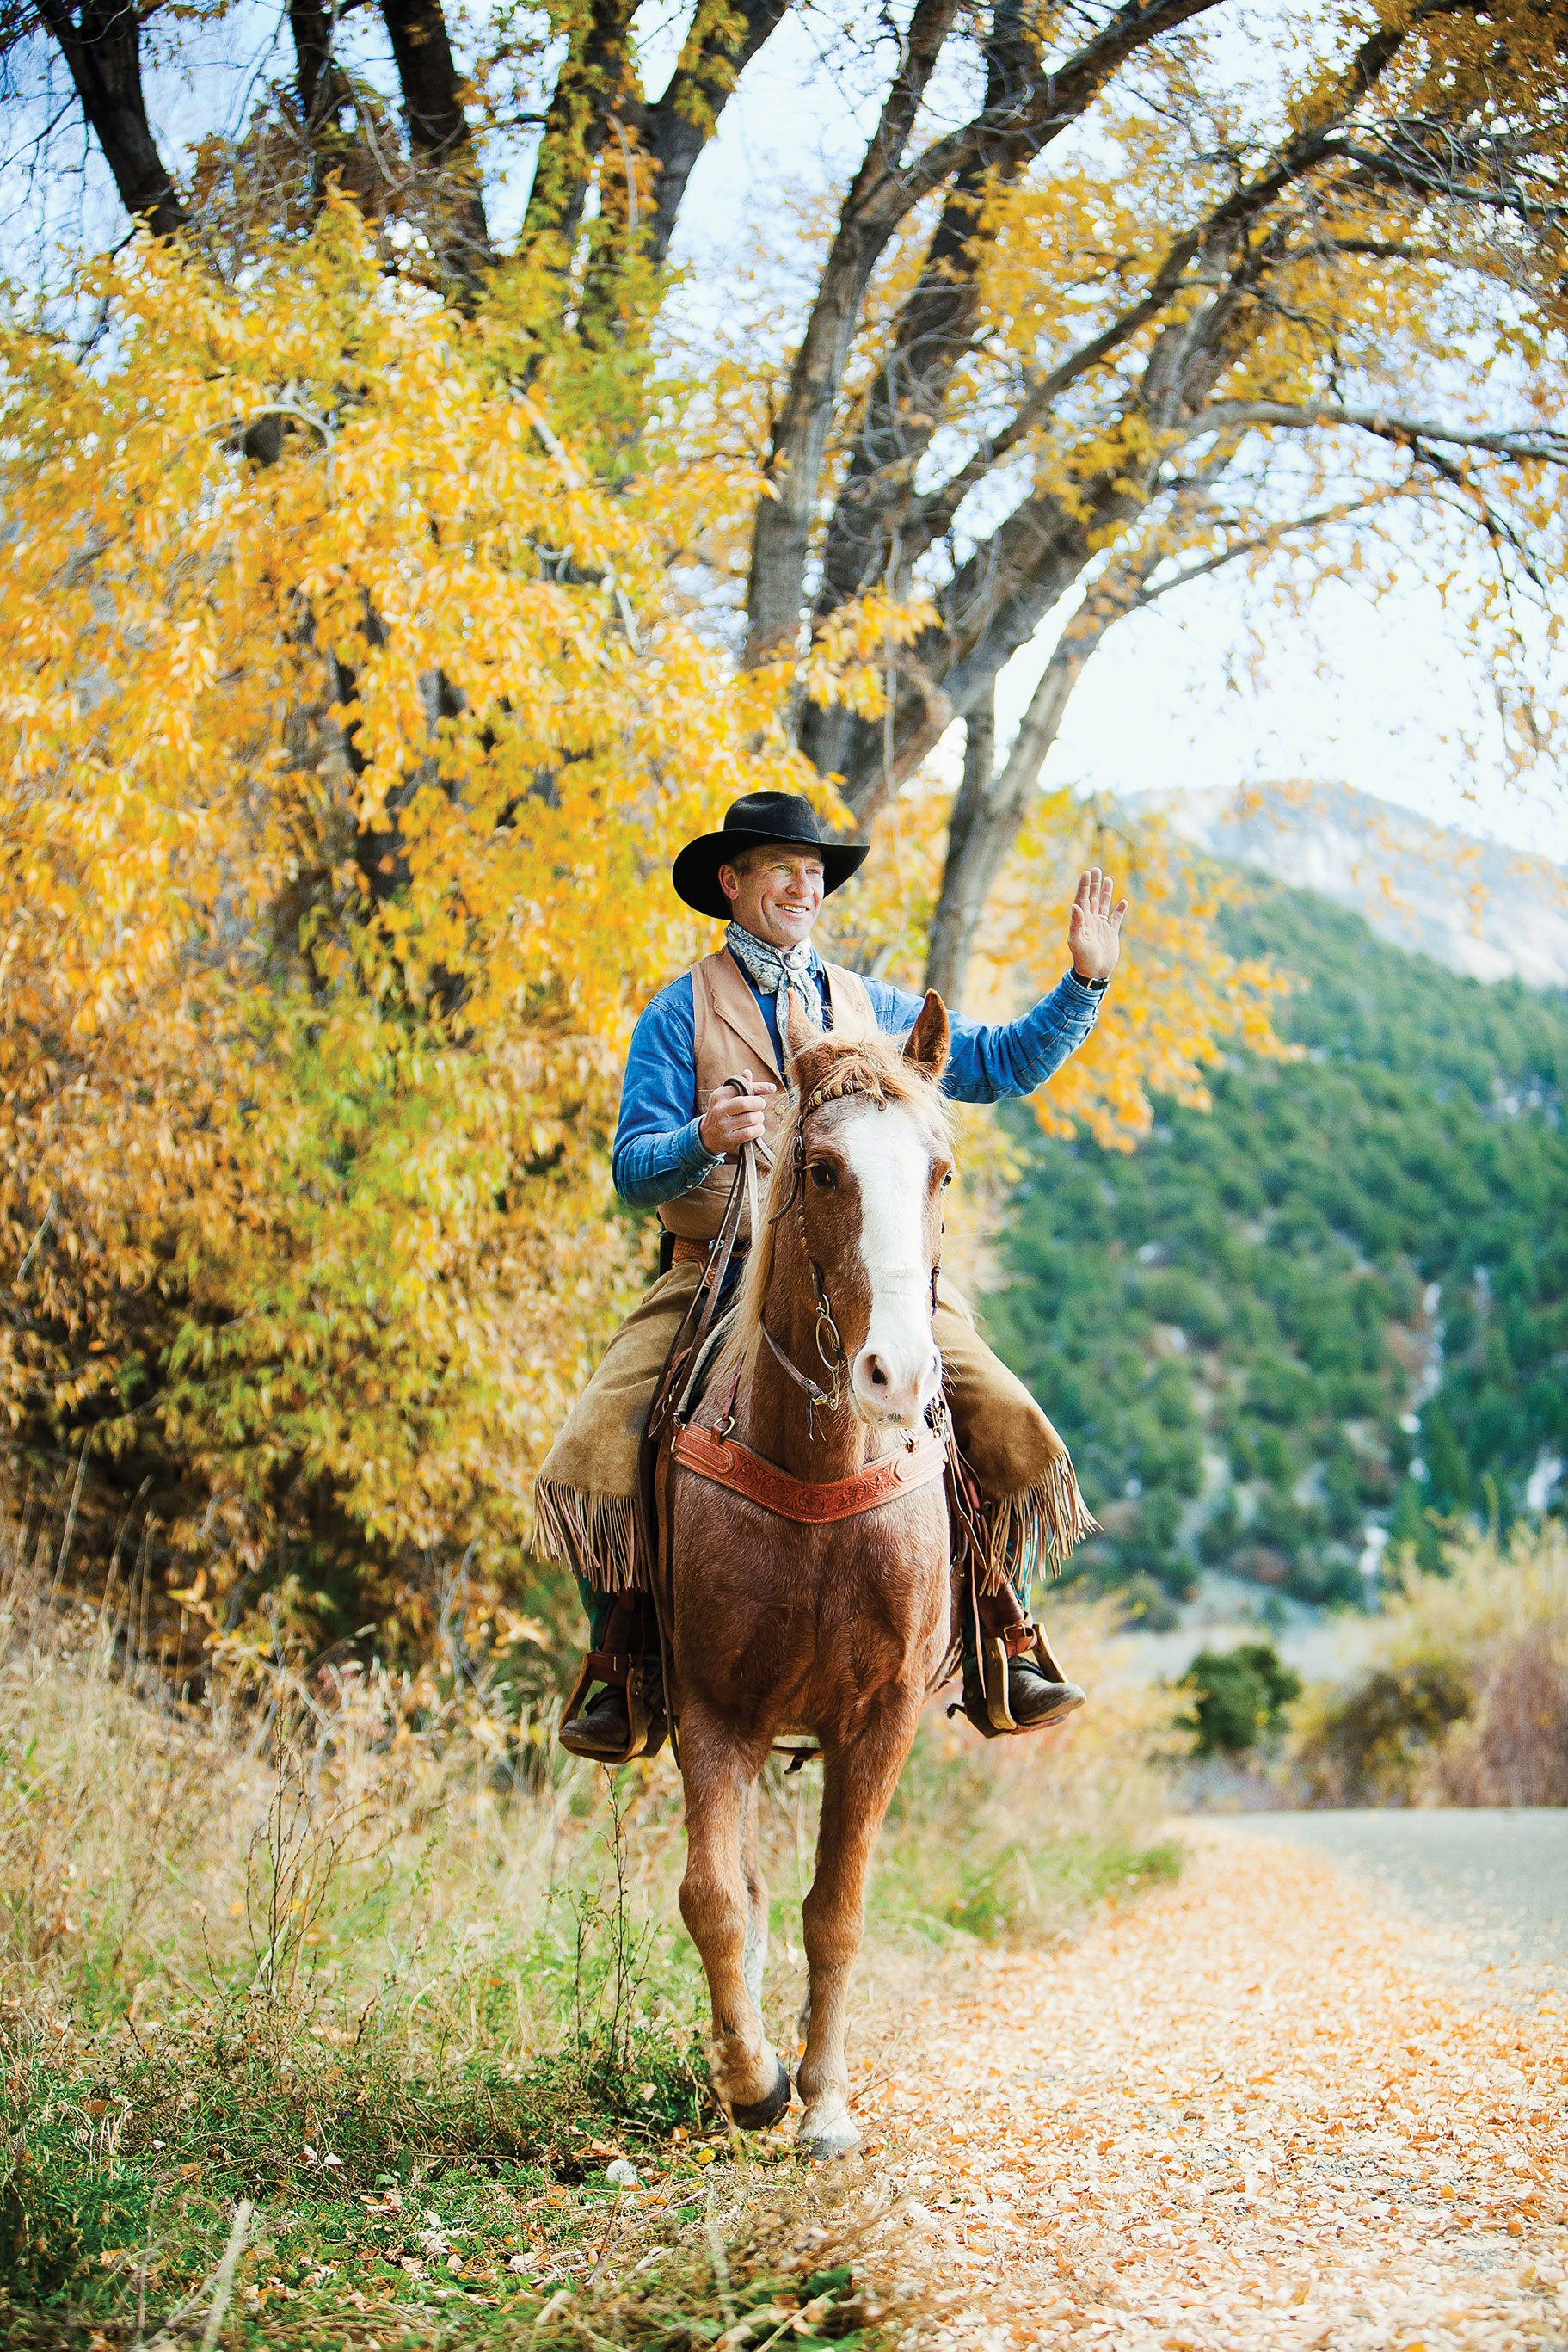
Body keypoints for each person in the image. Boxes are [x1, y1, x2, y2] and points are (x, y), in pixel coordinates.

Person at [533, 791, 1128, 1760]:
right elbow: (631, 1167)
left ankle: (1000, 1633)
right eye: (781, 869)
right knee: (597, 1439)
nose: (802, 887)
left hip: (863, 1274)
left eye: (814, 874)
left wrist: (1082, 985)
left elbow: (998, 1064)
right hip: (717, 1272)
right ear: (731, 885)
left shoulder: (872, 1006)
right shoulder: (675, 1012)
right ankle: (625, 1655)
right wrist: (700, 1137)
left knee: (1006, 1419)